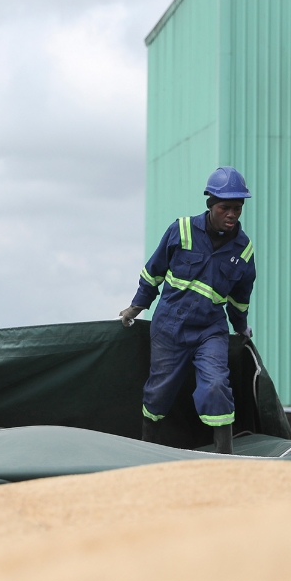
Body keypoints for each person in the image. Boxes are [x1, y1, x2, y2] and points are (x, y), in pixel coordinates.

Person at [120, 166, 256, 454]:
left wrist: (241, 327)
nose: (232, 214)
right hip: (170, 326)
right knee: (159, 391)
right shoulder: (181, 230)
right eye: (225, 207)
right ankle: (146, 449)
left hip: (210, 330)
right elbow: (152, 272)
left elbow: (240, 298)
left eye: (237, 208)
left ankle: (224, 455)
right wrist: (136, 306)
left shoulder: (243, 250)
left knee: (217, 384)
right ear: (210, 204)